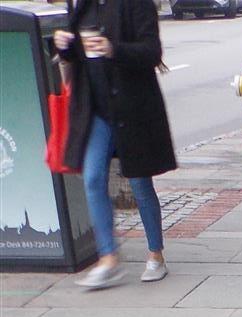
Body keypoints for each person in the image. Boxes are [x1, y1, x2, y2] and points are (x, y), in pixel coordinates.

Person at [52, 0, 177, 290]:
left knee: (139, 183)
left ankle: (156, 254)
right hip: (96, 109)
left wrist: (113, 49)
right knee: (93, 178)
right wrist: (64, 45)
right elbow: (76, 56)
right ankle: (108, 257)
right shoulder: (84, 6)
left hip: (131, 108)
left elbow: (151, 51)